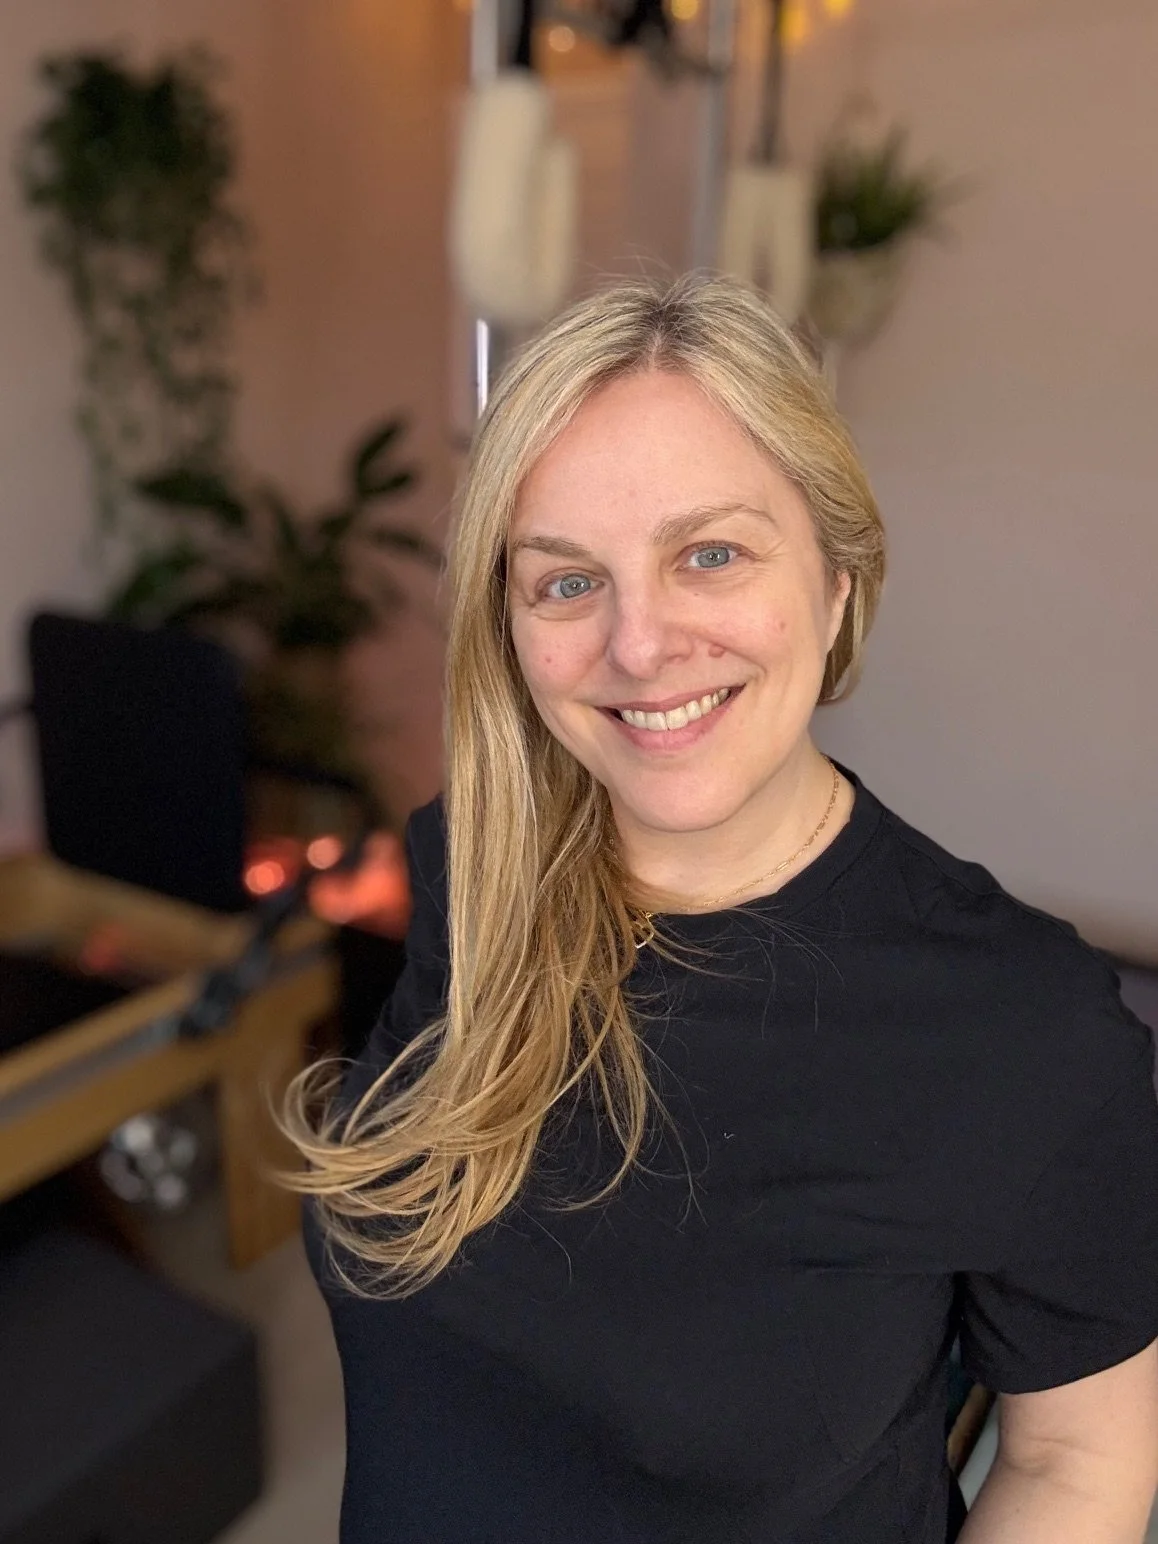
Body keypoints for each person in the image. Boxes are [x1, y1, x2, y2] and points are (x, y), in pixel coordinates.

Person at [282, 275, 1158, 1544]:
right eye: (566, 581)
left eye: (711, 553)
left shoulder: (1030, 1035)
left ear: (837, 580)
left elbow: (1081, 1464)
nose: (641, 644)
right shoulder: (470, 868)